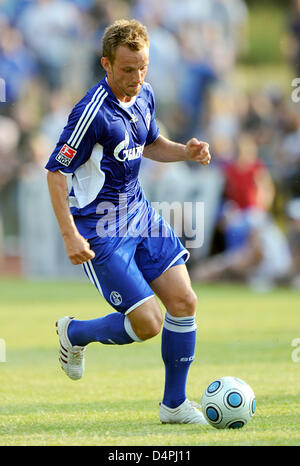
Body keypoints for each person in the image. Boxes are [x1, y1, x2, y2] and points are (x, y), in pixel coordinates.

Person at [45, 19, 211, 425]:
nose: (137, 78)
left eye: (142, 68)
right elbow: (54, 171)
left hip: (139, 214)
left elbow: (151, 144)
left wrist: (185, 152)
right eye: (127, 70)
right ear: (106, 64)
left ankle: (173, 406)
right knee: (149, 323)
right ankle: (76, 333)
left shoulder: (145, 96)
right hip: (100, 231)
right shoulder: (90, 113)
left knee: (184, 302)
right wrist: (69, 234)